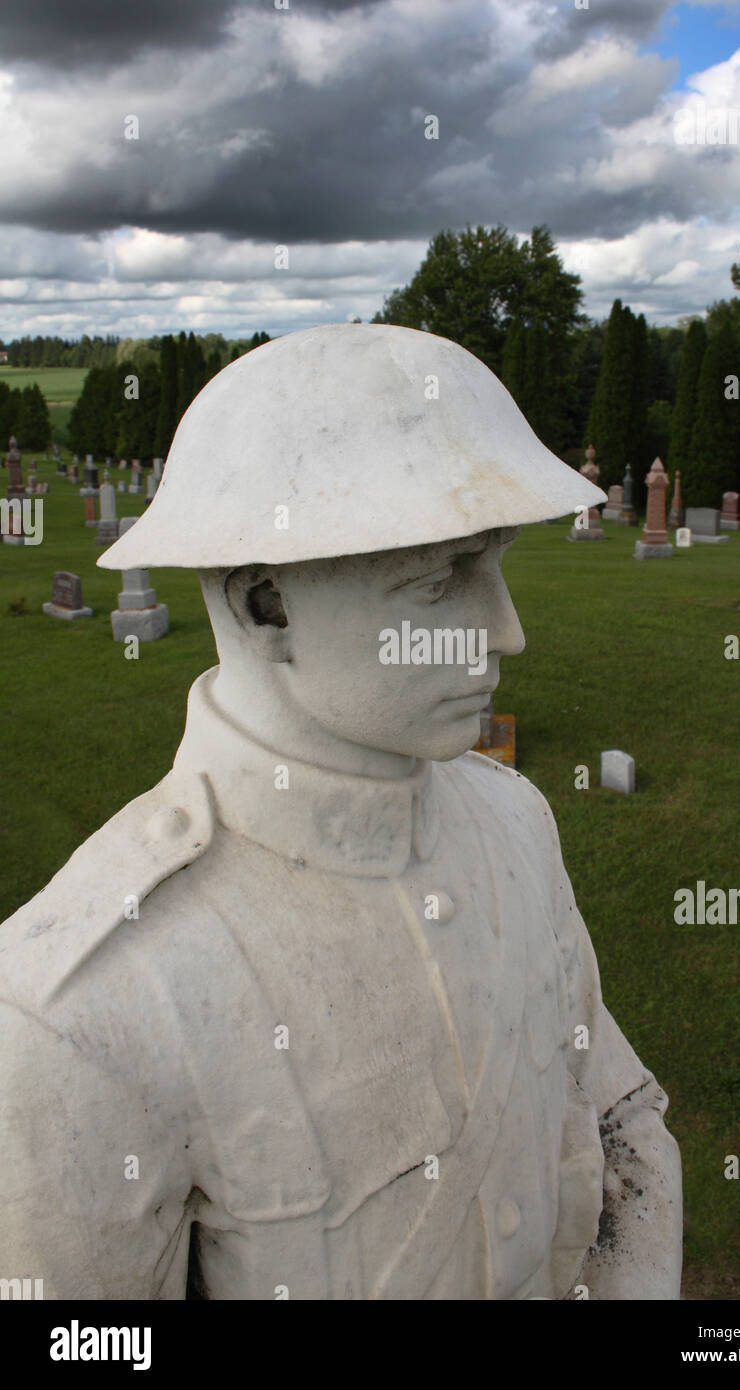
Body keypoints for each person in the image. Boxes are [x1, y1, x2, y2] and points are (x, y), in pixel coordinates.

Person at [0, 325, 681, 1299]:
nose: (507, 630)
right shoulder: (79, 1015)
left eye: (495, 564)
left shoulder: (515, 825)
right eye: (443, 578)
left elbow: (620, 1123)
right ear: (266, 603)